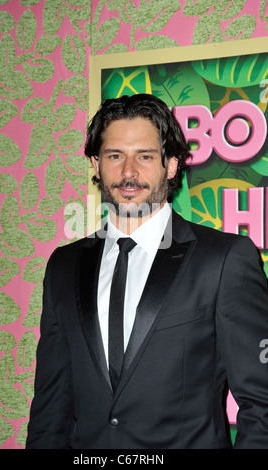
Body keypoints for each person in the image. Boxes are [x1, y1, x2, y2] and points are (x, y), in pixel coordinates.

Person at [26, 93, 268, 449]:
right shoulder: (63, 266)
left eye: (145, 156)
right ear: (95, 164)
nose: (128, 172)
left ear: (170, 165)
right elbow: (50, 405)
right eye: (114, 156)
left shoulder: (223, 259)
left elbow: (261, 402)